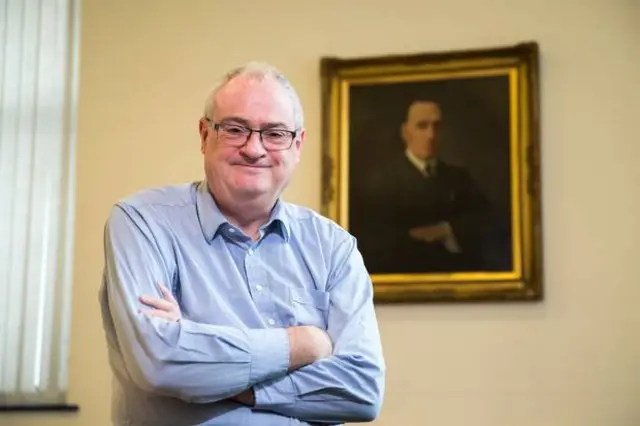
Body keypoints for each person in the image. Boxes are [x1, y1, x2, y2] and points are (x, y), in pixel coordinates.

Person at [98, 62, 385, 425]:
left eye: (275, 134)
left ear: (298, 145)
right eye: (235, 129)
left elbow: (362, 390)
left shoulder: (334, 247)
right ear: (204, 136)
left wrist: (217, 371)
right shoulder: (142, 222)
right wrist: (304, 345)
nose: (254, 149)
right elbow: (159, 361)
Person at [350, 100, 490, 274]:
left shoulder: (460, 177)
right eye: (422, 126)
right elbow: (373, 242)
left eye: (437, 126)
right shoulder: (380, 181)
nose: (431, 134)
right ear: (405, 132)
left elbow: (486, 226)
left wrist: (446, 230)